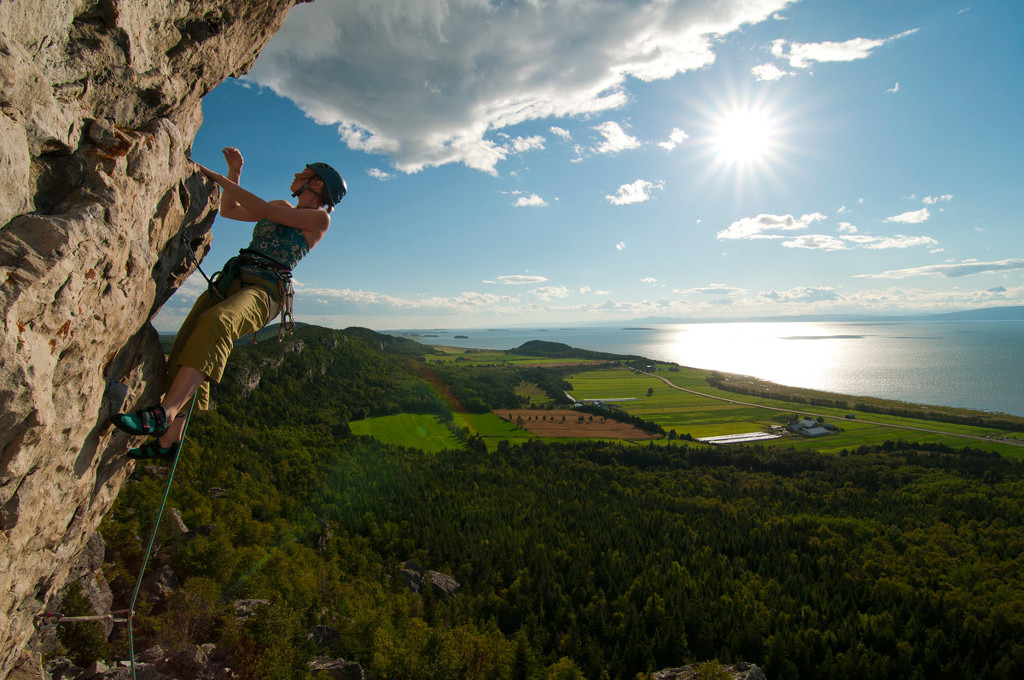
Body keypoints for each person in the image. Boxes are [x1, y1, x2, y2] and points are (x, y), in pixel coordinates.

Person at [110, 147, 346, 460]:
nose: (295, 176)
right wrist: (234, 172)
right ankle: (168, 442)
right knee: (184, 347)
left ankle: (164, 413)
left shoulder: (319, 219)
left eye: (304, 174)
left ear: (317, 185)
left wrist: (218, 177)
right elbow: (231, 211)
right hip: (232, 280)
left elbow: (262, 208)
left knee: (219, 322)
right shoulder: (279, 205)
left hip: (265, 291)